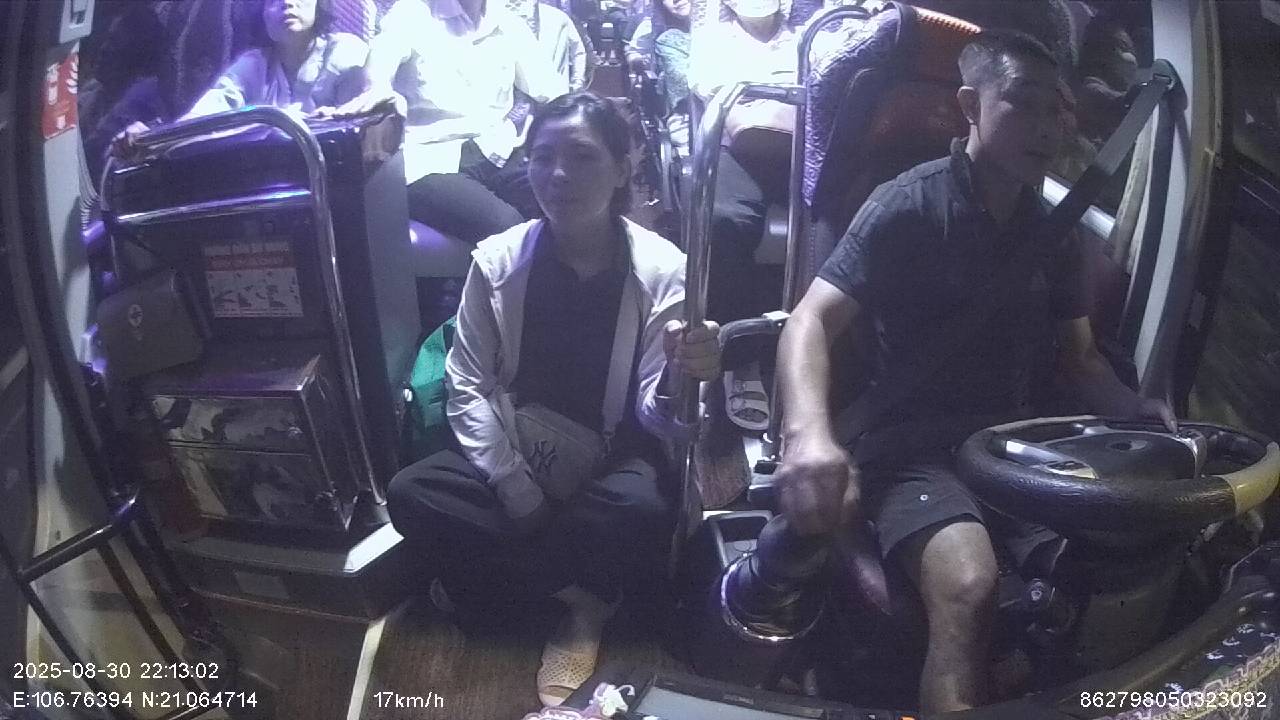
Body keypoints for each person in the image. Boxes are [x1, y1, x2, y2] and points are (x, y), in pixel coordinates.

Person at [773, 31, 1175, 713]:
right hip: (913, 450)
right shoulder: (909, 204)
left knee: (1117, 565)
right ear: (970, 105)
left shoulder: (1054, 232)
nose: (1045, 127)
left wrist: (1135, 410)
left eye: (1056, 110)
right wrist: (808, 434)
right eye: (1023, 103)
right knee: (968, 586)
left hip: (1014, 446)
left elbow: (1079, 359)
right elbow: (810, 320)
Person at [386, 92, 720, 707]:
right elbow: (467, 384)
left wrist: (682, 375)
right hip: (522, 445)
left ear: (623, 169)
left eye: (583, 157)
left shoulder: (662, 270)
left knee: (640, 508)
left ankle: (515, 587)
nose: (559, 175)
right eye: (543, 158)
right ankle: (583, 597)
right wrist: (519, 492)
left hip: (612, 460)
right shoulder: (498, 260)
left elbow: (657, 416)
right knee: (411, 493)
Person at [332, 0, 569, 244]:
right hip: (430, 162)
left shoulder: (507, 22)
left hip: (498, 150)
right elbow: (380, 65)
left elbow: (554, 93)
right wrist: (376, 88)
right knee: (508, 229)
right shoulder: (411, 13)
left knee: (569, 204)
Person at [688, 0, 804, 432]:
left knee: (845, 214)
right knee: (724, 220)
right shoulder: (713, 40)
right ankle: (740, 360)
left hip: (801, 149)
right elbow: (714, 91)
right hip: (738, 151)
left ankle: (826, 353)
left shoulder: (810, 38)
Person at [112, 0, 367, 150]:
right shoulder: (254, 64)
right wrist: (154, 140)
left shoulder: (346, 50)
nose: (287, 2)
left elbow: (358, 132)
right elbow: (205, 116)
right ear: (261, 15)